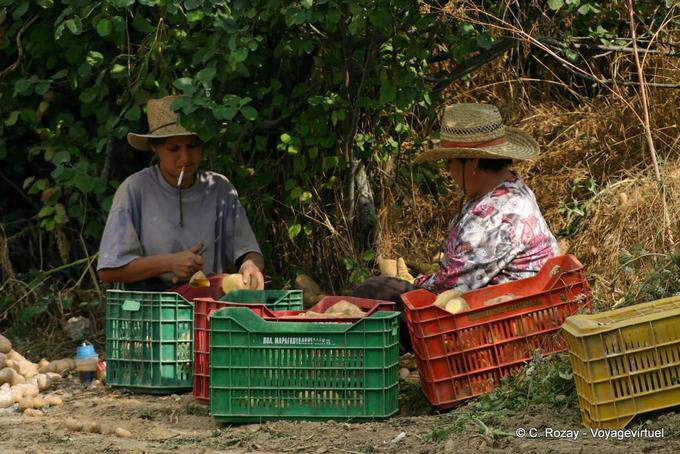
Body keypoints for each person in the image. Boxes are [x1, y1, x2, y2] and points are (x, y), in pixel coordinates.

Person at [353, 103, 559, 348]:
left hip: (501, 324)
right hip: (506, 309)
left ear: (471, 163)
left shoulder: (494, 213)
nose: (448, 170)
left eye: (448, 162)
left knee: (372, 293)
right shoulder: (511, 189)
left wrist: (412, 283)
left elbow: (447, 287)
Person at [97, 95, 265, 291]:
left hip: (208, 300)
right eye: (174, 148)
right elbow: (108, 271)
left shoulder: (219, 188)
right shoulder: (135, 188)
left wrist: (250, 265)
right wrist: (168, 263)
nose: (185, 157)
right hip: (151, 306)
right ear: (155, 148)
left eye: (192, 146)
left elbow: (249, 251)